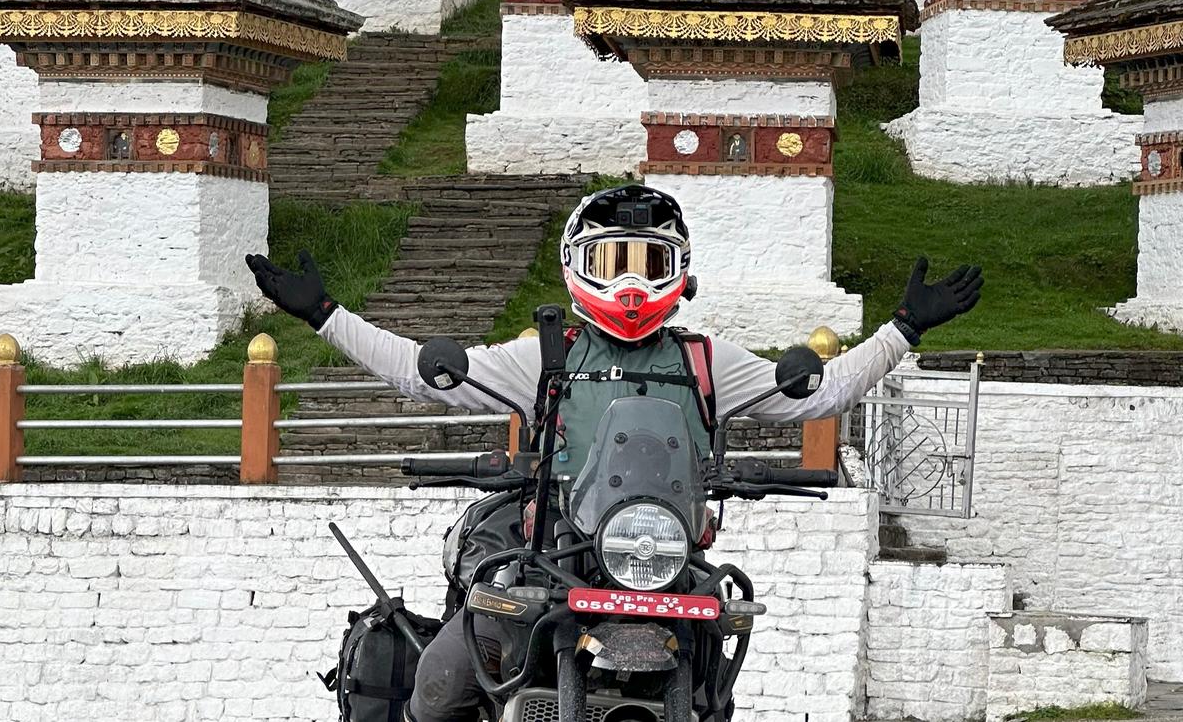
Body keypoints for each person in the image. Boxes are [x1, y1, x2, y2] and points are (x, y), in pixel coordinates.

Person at [246, 184, 983, 722]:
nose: (631, 279)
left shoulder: (706, 361)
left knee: (717, 666)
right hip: (554, 543)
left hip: (662, 548)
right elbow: (425, 374)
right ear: (578, 265)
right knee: (443, 676)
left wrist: (902, 331)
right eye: (612, 259)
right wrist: (324, 313)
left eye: (649, 259)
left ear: (678, 269)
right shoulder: (548, 352)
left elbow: (815, 394)